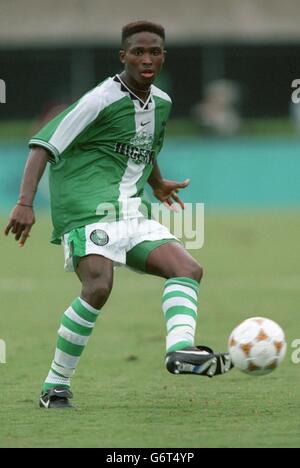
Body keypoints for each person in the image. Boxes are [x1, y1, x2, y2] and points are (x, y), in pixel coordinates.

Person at [4, 21, 232, 409]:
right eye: (138, 52)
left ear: (163, 57)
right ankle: (55, 386)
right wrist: (25, 203)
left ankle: (180, 351)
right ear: (123, 56)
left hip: (131, 211)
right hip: (87, 209)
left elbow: (144, 145)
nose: (146, 59)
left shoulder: (162, 102)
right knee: (98, 286)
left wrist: (157, 184)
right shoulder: (99, 100)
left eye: (154, 52)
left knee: (187, 268)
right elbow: (42, 144)